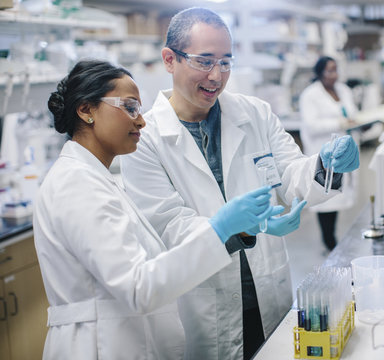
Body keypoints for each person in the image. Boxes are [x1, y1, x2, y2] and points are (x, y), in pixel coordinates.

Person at [120, 7, 360, 360]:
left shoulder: (255, 113)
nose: (216, 76)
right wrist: (234, 227)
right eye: (204, 61)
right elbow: (167, 224)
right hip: (201, 304)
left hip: (268, 293)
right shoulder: (144, 137)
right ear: (170, 60)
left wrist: (327, 163)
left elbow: (291, 175)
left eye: (226, 62)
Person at [35, 59, 279, 359]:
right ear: (86, 110)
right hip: (97, 347)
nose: (141, 121)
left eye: (139, 109)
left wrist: (227, 230)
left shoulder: (97, 178)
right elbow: (140, 288)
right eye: (129, 107)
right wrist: (218, 230)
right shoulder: (77, 185)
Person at [298, 56, 360, 251]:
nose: (334, 74)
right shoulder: (310, 95)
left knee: (340, 196)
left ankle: (333, 241)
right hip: (324, 153)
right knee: (325, 199)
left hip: (345, 151)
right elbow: (312, 125)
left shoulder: (343, 90)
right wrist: (340, 124)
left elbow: (353, 114)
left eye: (335, 69)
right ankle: (329, 242)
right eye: (329, 70)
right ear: (319, 73)